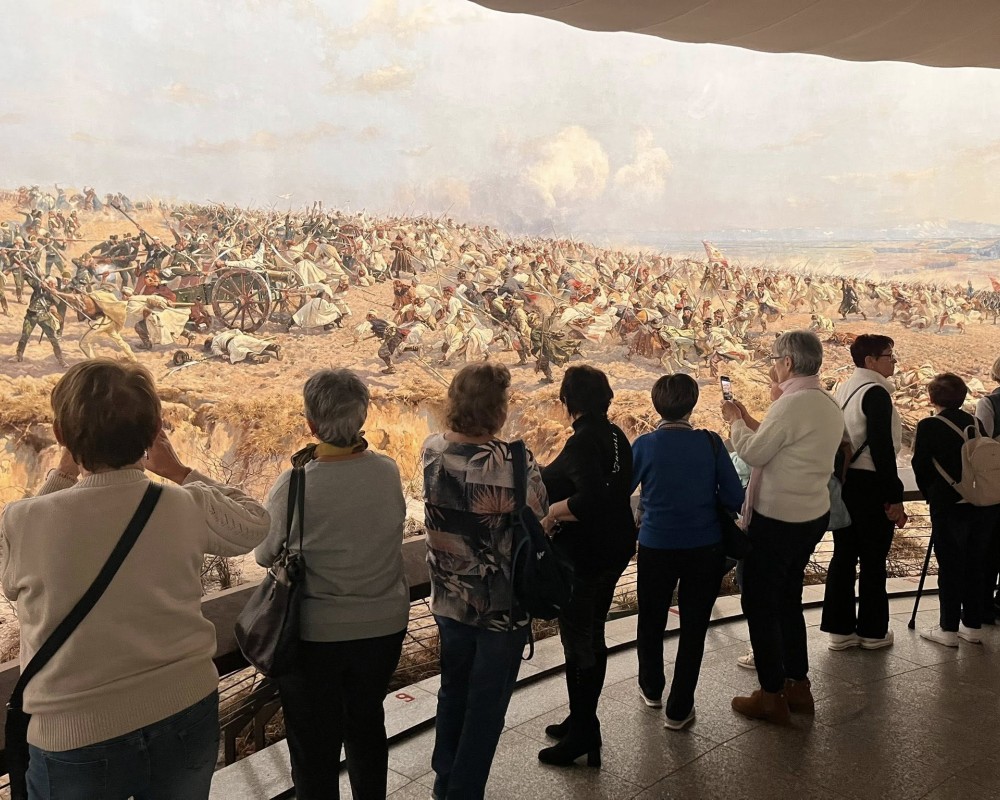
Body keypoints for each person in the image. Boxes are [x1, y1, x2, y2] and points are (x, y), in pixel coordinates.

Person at [0, 360, 270, 799]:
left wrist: (62, 474)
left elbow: (8, 577)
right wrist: (178, 470)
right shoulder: (185, 505)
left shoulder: (24, 520)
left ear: (62, 436)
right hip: (186, 706)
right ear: (154, 433)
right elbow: (255, 523)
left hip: (77, 731)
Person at [257, 369, 408, 800]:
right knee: (366, 724)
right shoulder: (387, 471)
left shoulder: (295, 483)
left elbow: (264, 554)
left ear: (311, 423)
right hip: (383, 628)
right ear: (362, 417)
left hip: (315, 636)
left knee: (313, 745)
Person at [421, 364, 548, 799]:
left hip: (448, 599)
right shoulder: (513, 460)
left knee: (452, 692)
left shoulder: (432, 450)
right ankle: (464, 791)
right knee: (487, 706)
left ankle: (444, 780)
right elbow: (539, 511)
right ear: (499, 408)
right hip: (501, 606)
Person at [721, 330, 843, 724]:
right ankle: (798, 685)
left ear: (787, 362)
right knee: (788, 598)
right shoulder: (824, 400)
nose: (773, 366)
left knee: (759, 603)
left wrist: (734, 423)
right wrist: (749, 418)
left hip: (777, 521)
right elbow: (782, 442)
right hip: (810, 516)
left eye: (775, 360)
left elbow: (755, 452)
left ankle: (770, 694)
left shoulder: (791, 405)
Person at [535, 366, 636, 765]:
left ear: (568, 401)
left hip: (584, 557)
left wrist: (552, 514)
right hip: (614, 548)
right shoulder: (616, 436)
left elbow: (588, 500)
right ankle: (582, 719)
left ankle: (582, 733)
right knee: (592, 633)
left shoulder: (582, 442)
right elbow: (612, 492)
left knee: (579, 642)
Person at [632, 374, 744, 729]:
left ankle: (651, 688)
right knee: (694, 626)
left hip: (656, 546)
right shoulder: (710, 443)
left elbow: (621, 489)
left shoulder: (644, 445)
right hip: (704, 548)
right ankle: (679, 709)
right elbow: (734, 497)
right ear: (692, 404)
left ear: (657, 405)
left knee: (651, 619)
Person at [821, 335, 905, 650]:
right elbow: (882, 449)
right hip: (872, 484)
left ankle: (839, 631)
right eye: (889, 355)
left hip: (846, 482)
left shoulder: (844, 389)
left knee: (843, 556)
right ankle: (872, 631)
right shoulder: (876, 393)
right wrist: (894, 496)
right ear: (870, 361)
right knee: (872, 559)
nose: (893, 361)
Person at [911, 373, 1000, 646]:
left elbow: (920, 465)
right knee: (975, 564)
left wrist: (931, 494)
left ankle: (948, 629)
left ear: (932, 398)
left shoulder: (929, 425)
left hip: (948, 506)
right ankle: (972, 625)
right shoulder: (974, 422)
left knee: (950, 567)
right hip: (980, 503)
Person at [973, 356, 1000, 622]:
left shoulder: (989, 403)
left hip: (995, 487)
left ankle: (983, 607)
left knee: (989, 548)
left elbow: (983, 445)